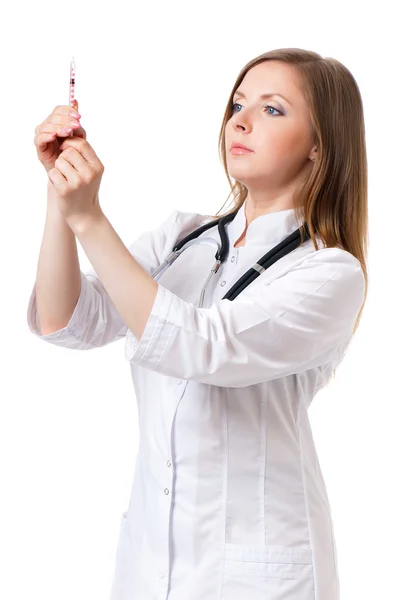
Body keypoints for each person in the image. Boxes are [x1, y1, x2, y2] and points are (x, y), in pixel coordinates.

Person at [27, 47, 368, 600]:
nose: (241, 119)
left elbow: (203, 347)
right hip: (150, 560)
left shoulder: (329, 272)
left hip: (258, 573)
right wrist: (62, 198)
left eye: (273, 109)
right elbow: (67, 318)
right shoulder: (182, 237)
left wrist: (90, 217)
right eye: (238, 103)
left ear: (319, 145)